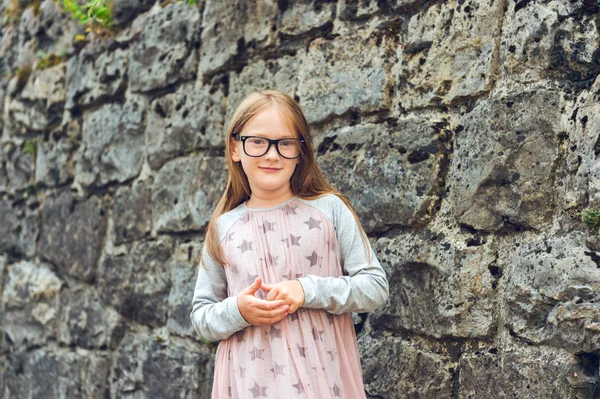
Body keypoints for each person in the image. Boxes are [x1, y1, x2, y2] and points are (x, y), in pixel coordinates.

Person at [190, 90, 389, 399]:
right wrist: (237, 311)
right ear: (235, 148)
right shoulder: (222, 228)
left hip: (323, 382)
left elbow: (375, 286)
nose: (272, 155)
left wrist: (308, 290)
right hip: (248, 386)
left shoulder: (329, 210)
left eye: (285, 143)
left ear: (301, 151)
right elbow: (201, 317)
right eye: (257, 141)